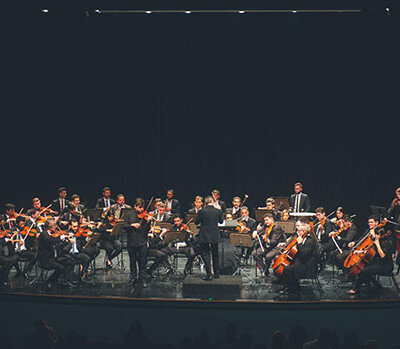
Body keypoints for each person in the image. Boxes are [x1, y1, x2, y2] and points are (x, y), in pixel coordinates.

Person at [348, 215, 394, 294]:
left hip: (385, 265)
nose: (374, 236)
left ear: (379, 235)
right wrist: (359, 252)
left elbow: (383, 256)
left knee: (364, 271)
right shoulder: (377, 239)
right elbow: (369, 249)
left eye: (375, 235)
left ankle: (356, 289)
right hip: (377, 261)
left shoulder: (385, 242)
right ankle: (375, 285)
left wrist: (377, 243)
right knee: (362, 267)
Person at [280, 222, 317, 294]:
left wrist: (299, 243)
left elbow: (304, 254)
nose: (298, 232)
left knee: (287, 269)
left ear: (305, 232)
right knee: (286, 265)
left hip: (308, 265)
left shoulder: (310, 241)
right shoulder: (301, 238)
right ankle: (291, 285)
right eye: (298, 231)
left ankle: (292, 288)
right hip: (302, 261)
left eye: (299, 231)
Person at [123, 198, 150, 287]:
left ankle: (143, 279)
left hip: (142, 241)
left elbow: (147, 230)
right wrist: (132, 225)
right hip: (131, 241)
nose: (141, 209)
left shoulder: (145, 216)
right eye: (139, 207)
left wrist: (148, 222)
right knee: (132, 261)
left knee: (143, 262)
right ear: (135, 206)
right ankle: (133, 278)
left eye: (142, 207)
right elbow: (124, 227)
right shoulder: (129, 215)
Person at [195, 196, 223, 280]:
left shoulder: (201, 211)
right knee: (215, 254)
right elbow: (221, 222)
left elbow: (196, 222)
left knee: (205, 254)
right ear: (212, 202)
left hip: (204, 235)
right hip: (215, 234)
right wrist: (219, 210)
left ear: (205, 203)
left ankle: (209, 274)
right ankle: (217, 273)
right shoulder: (218, 211)